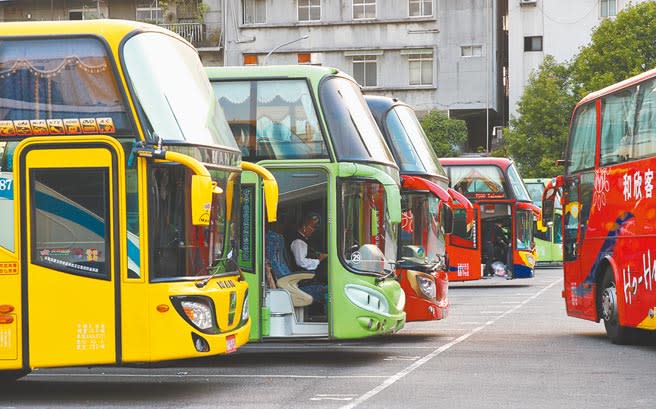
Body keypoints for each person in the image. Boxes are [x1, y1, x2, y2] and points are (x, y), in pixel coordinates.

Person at [289, 212, 328, 310]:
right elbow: (301, 262)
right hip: (303, 281)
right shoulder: (298, 242)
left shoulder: (304, 240)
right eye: (312, 227)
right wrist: (318, 260)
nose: (314, 230)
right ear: (304, 227)